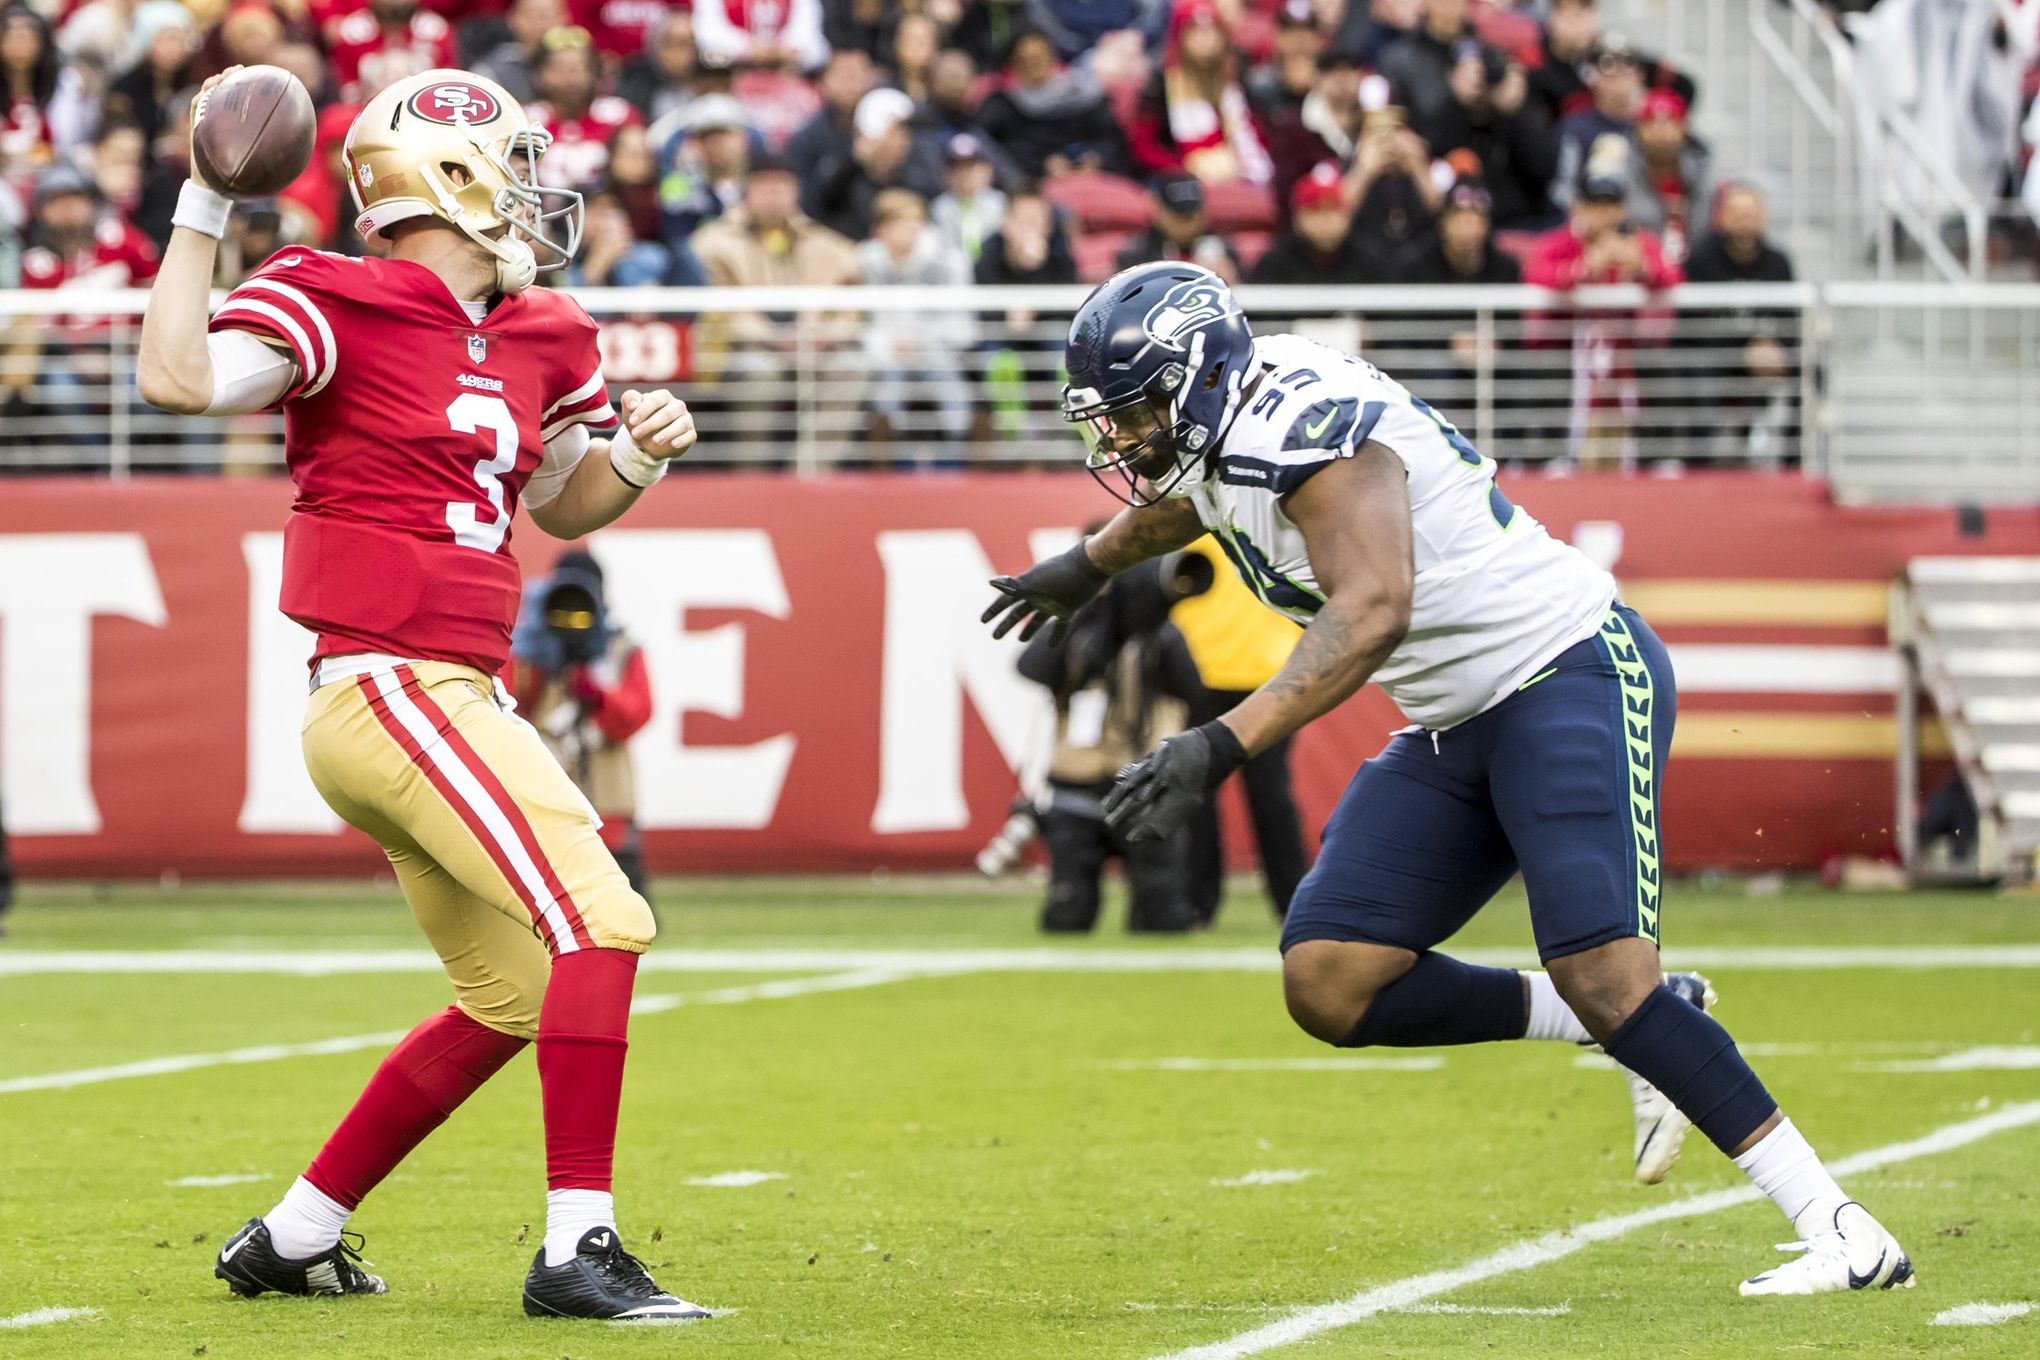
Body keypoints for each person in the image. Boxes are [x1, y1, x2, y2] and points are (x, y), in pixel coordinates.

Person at [981, 261, 1916, 1297]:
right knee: (1330, 977)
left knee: (1604, 971)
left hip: (1565, 673)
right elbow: (1186, 501)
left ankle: (1842, 1227)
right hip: (1457, 718)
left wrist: (1222, 742)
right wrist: (1090, 561)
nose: (1124, 439)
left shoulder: (1310, 426)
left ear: (1199, 377)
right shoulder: (1220, 427)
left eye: (1139, 409)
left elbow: (1372, 607)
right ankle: (1652, 1020)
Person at [137, 66, 707, 1321]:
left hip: (449, 692)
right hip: (390, 683)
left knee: (508, 992)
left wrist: (632, 458)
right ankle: (579, 1247)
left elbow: (561, 501)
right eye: (517, 165)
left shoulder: (542, 327)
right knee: (604, 920)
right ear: (452, 179)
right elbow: (177, 382)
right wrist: (200, 200)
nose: (540, 193)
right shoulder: (334, 296)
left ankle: (294, 1234)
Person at [1016, 545, 1211, 933]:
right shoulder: (1078, 629)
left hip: (1142, 785)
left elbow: (1196, 697)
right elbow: (1030, 666)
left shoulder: (1162, 638)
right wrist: (1081, 615)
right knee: (1067, 913)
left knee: (1161, 915)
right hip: (1076, 784)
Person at [1168, 535, 1305, 924]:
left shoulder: (1189, 509)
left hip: (1225, 671)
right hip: (1242, 671)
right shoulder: (1263, 507)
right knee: (1260, 795)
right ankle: (1290, 901)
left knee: (1224, 794)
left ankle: (1199, 905)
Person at [509, 550, 657, 901]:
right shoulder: (529, 648)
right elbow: (506, 707)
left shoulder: (621, 648)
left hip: (607, 798)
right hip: (547, 794)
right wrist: (533, 654)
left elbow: (636, 715)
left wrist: (598, 694)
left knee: (627, 908)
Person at [1128, 0, 1273, 186]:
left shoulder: (1236, 83)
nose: (1205, 40)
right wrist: (1182, 169)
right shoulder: (1161, 85)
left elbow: (1256, 135)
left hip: (1234, 172)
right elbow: (1143, 145)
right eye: (1196, 32)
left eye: (1211, 32)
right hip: (1178, 175)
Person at [975, 27, 1127, 181]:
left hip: (1092, 180)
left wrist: (1095, 158)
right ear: (1012, 65)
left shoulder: (1085, 97)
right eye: (1024, 60)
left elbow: (1110, 139)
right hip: (1030, 186)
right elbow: (988, 146)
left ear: (1053, 57)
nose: (1033, 66)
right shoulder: (1002, 105)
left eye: (1039, 58)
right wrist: (1041, 165)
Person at [1248, 159, 1381, 285]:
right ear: (1297, 217)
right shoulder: (1275, 264)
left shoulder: (1369, 261)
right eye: (1315, 209)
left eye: (1334, 208)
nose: (1325, 219)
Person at [1115, 170, 1241, 282]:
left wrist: (1232, 279)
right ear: (1158, 208)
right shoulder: (1136, 255)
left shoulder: (1224, 250)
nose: (1187, 225)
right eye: (1178, 216)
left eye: (1191, 215)